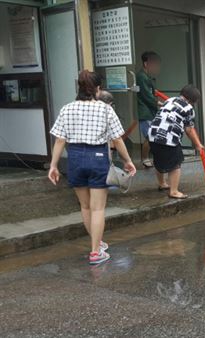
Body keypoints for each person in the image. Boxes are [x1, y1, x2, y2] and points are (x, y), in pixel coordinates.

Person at [48, 70, 136, 265]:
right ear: (97, 88)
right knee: (98, 209)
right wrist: (128, 160)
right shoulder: (105, 109)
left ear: (79, 87)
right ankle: (96, 252)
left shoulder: (67, 108)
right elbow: (118, 140)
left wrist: (53, 165)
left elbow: (60, 140)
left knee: (85, 206)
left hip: (75, 158)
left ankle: (96, 243)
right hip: (97, 158)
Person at [148, 84, 204, 199]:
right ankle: (173, 191)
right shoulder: (188, 109)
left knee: (159, 160)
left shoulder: (170, 100)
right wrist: (198, 145)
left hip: (153, 135)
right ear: (192, 100)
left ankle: (162, 183)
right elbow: (189, 129)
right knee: (176, 164)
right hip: (168, 138)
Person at [136, 51, 162, 168]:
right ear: (146, 64)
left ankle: (148, 158)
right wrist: (158, 103)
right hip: (145, 112)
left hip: (150, 111)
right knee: (150, 136)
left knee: (152, 136)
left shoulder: (147, 76)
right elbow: (147, 95)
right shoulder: (141, 76)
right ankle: (145, 158)